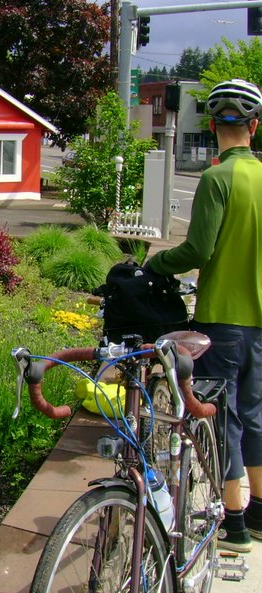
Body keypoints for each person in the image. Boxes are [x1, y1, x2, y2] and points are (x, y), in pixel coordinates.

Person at [146, 78, 262, 553]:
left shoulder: (218, 179)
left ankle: (233, 524)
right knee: (256, 417)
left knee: (223, 419)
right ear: (255, 127)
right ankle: (258, 515)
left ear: (212, 126)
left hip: (223, 320)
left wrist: (154, 262)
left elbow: (199, 249)